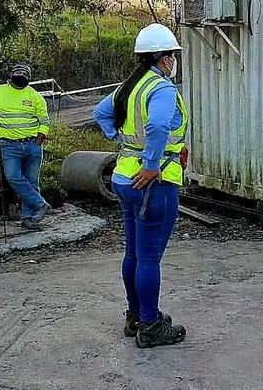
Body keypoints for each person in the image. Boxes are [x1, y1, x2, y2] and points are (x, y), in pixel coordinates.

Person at [93, 23, 188, 349]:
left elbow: (100, 113)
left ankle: (135, 316)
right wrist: (150, 165)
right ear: (162, 58)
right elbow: (159, 124)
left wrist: (121, 140)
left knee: (133, 252)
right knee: (148, 258)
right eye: (172, 56)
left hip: (123, 177)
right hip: (151, 182)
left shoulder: (129, 86)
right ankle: (150, 325)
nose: (173, 61)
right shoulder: (161, 89)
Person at [0, 64, 51, 230]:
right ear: (11, 76)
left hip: (32, 144)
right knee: (12, 176)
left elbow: (44, 120)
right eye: (18, 73)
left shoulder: (35, 96)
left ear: (29, 78)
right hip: (9, 145)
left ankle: (28, 219)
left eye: (24, 74)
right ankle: (40, 204)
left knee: (31, 182)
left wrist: (40, 138)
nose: (21, 76)